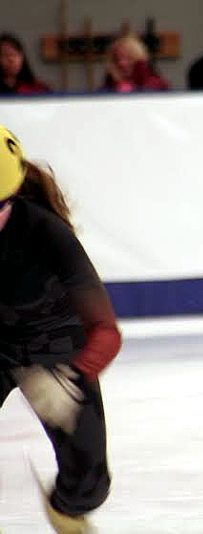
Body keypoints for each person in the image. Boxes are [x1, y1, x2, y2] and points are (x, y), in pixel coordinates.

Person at [0, 126, 121, 533]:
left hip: (55, 343)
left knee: (89, 485)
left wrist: (76, 373)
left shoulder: (47, 233)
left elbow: (105, 329)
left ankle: (68, 511)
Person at [99, 34, 169, 92]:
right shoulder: (110, 80)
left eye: (127, 58)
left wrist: (134, 89)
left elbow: (161, 88)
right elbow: (100, 97)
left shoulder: (150, 79)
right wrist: (115, 90)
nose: (121, 63)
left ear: (137, 57)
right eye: (117, 59)